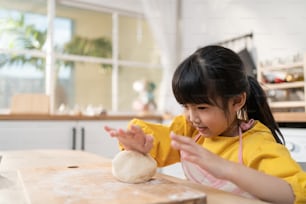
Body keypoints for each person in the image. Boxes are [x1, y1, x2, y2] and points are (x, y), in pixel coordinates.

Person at [104, 45, 306, 204]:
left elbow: (293, 194)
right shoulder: (191, 128)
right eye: (186, 106)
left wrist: (226, 168)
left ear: (237, 101)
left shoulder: (258, 143)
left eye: (202, 107)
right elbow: (161, 146)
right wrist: (141, 146)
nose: (192, 117)